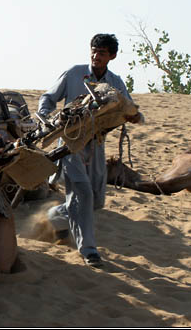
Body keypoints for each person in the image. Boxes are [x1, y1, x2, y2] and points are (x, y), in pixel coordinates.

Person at [38, 33, 142, 267]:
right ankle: (89, 249)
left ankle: (54, 218)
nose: (96, 55)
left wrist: (135, 116)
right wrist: (45, 118)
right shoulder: (74, 73)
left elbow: (130, 107)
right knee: (82, 193)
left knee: (95, 201)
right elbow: (48, 97)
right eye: (94, 50)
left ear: (112, 56)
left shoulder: (115, 82)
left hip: (95, 145)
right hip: (69, 145)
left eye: (102, 52)